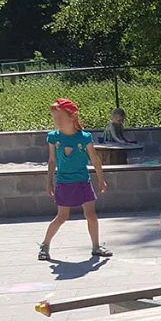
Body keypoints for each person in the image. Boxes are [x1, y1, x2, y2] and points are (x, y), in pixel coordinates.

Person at [38, 98, 111, 261]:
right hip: (63, 182)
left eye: (59, 118)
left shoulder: (84, 137)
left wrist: (101, 179)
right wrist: (49, 182)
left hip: (83, 181)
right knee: (62, 216)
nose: (56, 121)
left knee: (91, 215)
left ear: (72, 117)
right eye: (54, 118)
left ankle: (96, 246)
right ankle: (45, 245)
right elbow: (51, 161)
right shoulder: (53, 137)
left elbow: (95, 159)